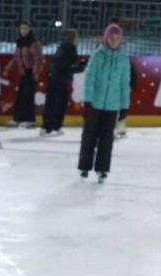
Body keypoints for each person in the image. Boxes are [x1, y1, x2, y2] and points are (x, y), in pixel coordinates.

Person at [77, 23, 130, 182]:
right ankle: (84, 166)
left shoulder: (123, 59)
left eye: (117, 38)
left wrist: (124, 106)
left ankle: (102, 169)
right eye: (111, 38)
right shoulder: (97, 55)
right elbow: (89, 79)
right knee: (89, 137)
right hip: (95, 104)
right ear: (106, 38)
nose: (114, 41)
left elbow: (124, 84)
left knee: (106, 139)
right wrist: (87, 101)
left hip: (112, 106)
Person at [3, 20, 45, 128]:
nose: (23, 30)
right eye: (21, 28)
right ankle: (18, 118)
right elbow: (15, 58)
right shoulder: (20, 42)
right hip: (23, 73)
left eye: (26, 28)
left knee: (28, 96)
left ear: (30, 29)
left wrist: (35, 73)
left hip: (30, 73)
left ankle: (30, 119)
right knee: (21, 96)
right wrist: (8, 69)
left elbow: (38, 59)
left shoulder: (33, 42)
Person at [41, 28, 80, 136]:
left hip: (57, 79)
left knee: (56, 103)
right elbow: (65, 66)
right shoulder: (69, 48)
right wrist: (78, 68)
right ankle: (50, 126)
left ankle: (52, 126)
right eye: (76, 37)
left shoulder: (63, 48)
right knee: (57, 103)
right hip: (59, 80)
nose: (78, 39)